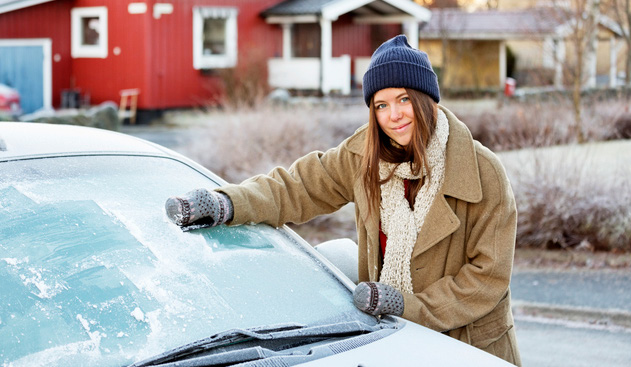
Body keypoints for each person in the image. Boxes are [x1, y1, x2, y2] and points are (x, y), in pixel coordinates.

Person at [165, 35, 521, 365]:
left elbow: (487, 277)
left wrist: (409, 306)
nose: (393, 115)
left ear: (425, 99)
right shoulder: (364, 158)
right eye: (381, 105)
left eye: (404, 99)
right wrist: (227, 204)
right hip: (391, 339)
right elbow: (297, 188)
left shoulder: (482, 172)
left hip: (468, 346)